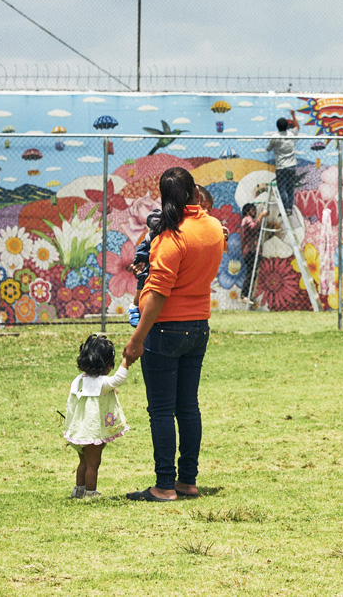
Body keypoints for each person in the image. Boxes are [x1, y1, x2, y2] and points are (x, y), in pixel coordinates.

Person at [123, 167, 225, 502]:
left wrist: (137, 339)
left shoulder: (170, 238)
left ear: (165, 199)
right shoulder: (212, 228)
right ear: (195, 192)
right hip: (199, 327)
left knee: (162, 410)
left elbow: (157, 295)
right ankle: (188, 481)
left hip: (166, 330)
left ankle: (165, 485)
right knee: (188, 406)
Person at [128, 185, 221, 327]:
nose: (206, 212)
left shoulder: (206, 227)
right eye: (204, 207)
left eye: (209, 209)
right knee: (145, 276)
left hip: (185, 316)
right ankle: (135, 306)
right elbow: (152, 219)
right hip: (148, 249)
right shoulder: (175, 220)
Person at [63, 334, 130, 499]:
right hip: (92, 433)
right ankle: (91, 493)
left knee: (83, 463)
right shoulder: (102, 383)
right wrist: (127, 360)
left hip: (78, 432)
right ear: (107, 365)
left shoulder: (78, 380)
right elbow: (120, 378)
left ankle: (78, 490)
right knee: (93, 464)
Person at [266, 111, 300, 228]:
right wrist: (293, 115)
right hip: (291, 166)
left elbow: (268, 148)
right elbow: (297, 127)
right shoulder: (291, 134)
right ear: (287, 126)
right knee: (290, 188)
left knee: (282, 189)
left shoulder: (275, 137)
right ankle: (289, 208)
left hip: (281, 167)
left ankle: (285, 208)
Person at [238, 202, 267, 302]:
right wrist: (261, 216)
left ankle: (246, 295)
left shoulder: (247, 219)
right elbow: (254, 228)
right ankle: (244, 295)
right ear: (247, 211)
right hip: (250, 250)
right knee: (251, 273)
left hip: (250, 250)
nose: (254, 211)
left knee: (252, 273)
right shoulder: (247, 219)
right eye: (252, 209)